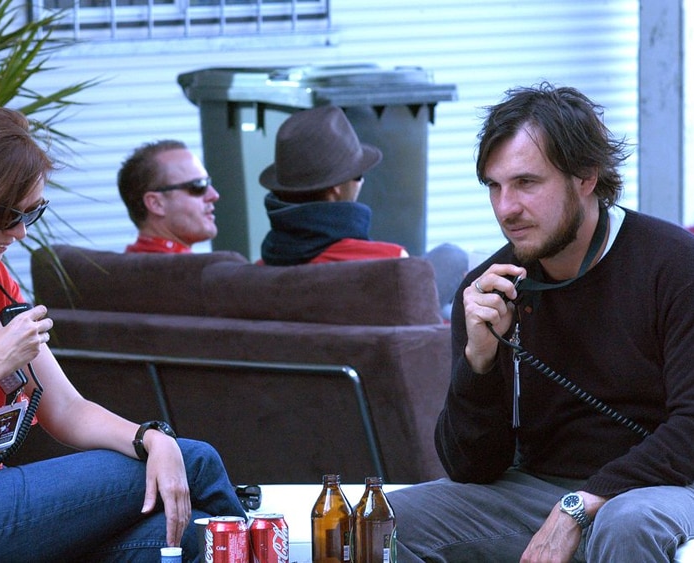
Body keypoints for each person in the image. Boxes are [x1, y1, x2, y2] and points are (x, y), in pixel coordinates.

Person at [0, 106, 245, 561]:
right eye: (1, 215)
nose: (17, 233)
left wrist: (151, 436)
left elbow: (67, 409)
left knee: (181, 534)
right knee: (195, 461)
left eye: (30, 214)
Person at [387, 83, 694, 562]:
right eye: (494, 186)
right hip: (540, 493)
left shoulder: (673, 264)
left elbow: (691, 427)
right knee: (382, 521)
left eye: (527, 183)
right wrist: (479, 361)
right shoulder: (491, 288)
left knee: (627, 523)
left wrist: (581, 505)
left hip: (666, 485)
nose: (506, 208)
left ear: (586, 177)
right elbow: (470, 467)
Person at [257, 105, 409, 265]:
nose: (362, 182)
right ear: (335, 190)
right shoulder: (392, 262)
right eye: (357, 175)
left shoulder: (256, 274)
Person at [118, 139, 219, 254]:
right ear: (156, 204)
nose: (214, 195)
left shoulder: (130, 264)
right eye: (198, 186)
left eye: (208, 182)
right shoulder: (184, 270)